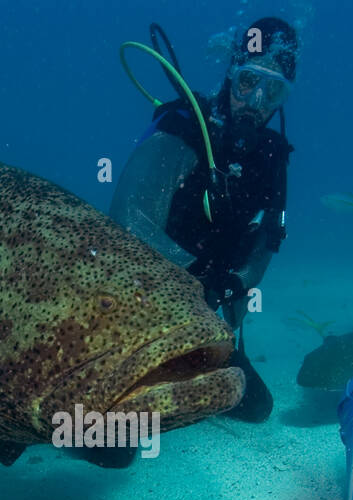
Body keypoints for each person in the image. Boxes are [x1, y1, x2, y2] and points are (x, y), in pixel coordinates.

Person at [110, 16, 297, 423]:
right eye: (249, 83)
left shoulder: (273, 155)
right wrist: (193, 276)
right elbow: (127, 219)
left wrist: (236, 282)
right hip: (143, 299)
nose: (256, 102)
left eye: (273, 90)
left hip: (210, 311)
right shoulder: (181, 125)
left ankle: (187, 368)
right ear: (231, 75)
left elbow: (270, 237)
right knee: (113, 445)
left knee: (255, 407)